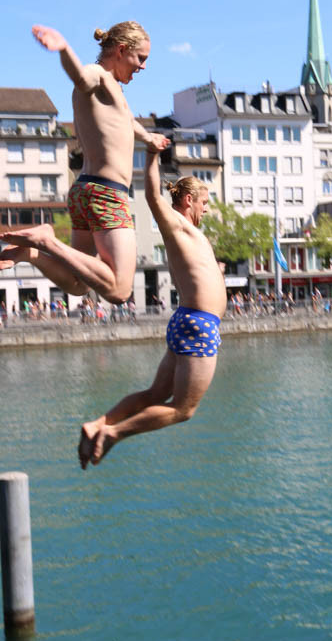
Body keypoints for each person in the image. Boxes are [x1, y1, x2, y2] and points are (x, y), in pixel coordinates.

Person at [0, 22, 170, 304]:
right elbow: (80, 77)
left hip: (84, 191)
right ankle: (47, 241)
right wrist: (64, 48)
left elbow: (125, 122)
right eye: (141, 58)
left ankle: (33, 253)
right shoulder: (98, 75)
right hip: (107, 194)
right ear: (122, 50)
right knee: (120, 290)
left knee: (78, 285)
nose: (143, 67)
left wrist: (149, 138)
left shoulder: (113, 91)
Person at [78, 150, 227, 469]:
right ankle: (113, 433)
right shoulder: (177, 223)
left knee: (155, 394)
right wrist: (152, 156)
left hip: (189, 321)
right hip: (199, 325)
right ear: (188, 199)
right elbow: (153, 197)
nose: (206, 208)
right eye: (204, 202)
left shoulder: (190, 235)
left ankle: (97, 424)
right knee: (183, 409)